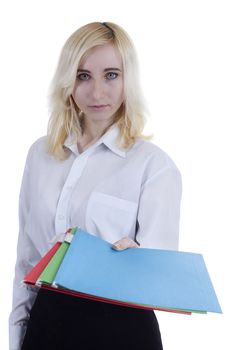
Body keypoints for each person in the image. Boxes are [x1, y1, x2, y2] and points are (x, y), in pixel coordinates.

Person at [9, 22, 182, 350]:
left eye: (111, 75)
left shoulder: (153, 165)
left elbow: (159, 271)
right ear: (67, 81)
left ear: (128, 78)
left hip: (120, 329)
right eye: (83, 76)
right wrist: (17, 337)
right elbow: (27, 261)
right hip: (46, 326)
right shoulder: (41, 155)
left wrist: (138, 258)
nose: (97, 93)